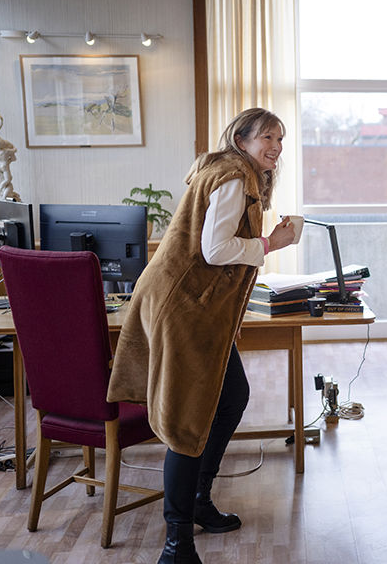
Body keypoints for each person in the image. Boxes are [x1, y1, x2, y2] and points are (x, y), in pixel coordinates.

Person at [107, 108, 298, 564]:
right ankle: (177, 544)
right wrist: (274, 242)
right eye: (267, 137)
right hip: (186, 309)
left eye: (280, 139)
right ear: (241, 138)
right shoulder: (235, 176)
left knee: (231, 397)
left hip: (194, 307)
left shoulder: (229, 171)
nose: (275, 146)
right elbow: (216, 250)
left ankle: (198, 501)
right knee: (188, 419)